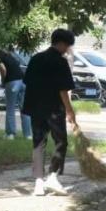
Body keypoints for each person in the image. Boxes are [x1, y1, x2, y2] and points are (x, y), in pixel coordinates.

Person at [22, 29, 78, 196]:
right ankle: (53, 176)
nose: (67, 49)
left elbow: (27, 82)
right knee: (61, 142)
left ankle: (38, 183)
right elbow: (63, 90)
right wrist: (70, 111)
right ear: (61, 43)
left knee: (38, 143)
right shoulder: (60, 62)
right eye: (67, 45)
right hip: (54, 109)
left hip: (35, 107)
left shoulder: (35, 58)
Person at [0, 49, 32, 140]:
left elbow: (3, 69)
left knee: (10, 108)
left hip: (12, 83)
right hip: (23, 83)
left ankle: (10, 134)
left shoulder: (1, 61)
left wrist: (3, 81)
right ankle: (28, 135)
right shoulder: (13, 59)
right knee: (24, 109)